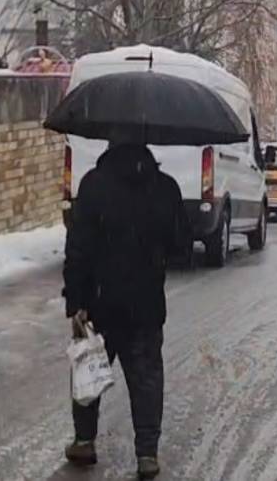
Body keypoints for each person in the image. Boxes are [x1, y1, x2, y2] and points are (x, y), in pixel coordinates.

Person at [62, 141, 191, 480]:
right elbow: (182, 245)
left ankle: (84, 441)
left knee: (88, 370)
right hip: (145, 305)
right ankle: (147, 454)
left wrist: (76, 302)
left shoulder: (94, 185)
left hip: (98, 304)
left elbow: (77, 249)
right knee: (146, 380)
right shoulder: (164, 188)